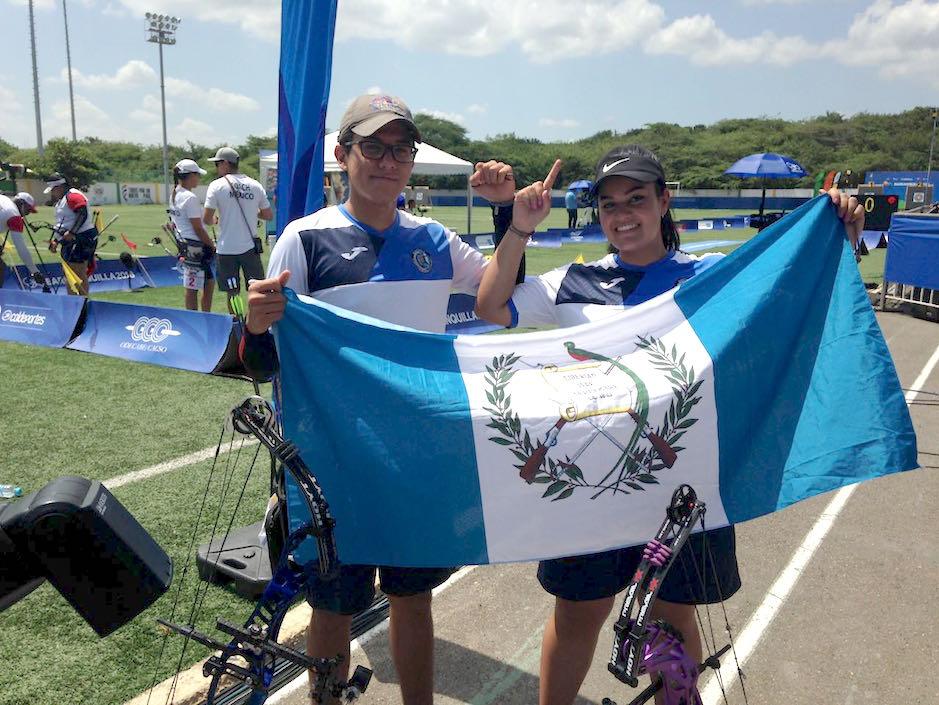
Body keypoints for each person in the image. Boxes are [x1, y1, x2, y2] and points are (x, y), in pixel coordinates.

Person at [474, 144, 864, 705]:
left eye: (637, 198)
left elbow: (795, 295)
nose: (623, 213)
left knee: (672, 613)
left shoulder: (711, 279)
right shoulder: (571, 282)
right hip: (587, 488)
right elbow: (491, 307)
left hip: (679, 485)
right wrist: (518, 227)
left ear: (664, 200)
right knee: (578, 612)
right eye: (609, 204)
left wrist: (838, 228)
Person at [242, 93, 515, 705]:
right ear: (343, 156)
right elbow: (263, 362)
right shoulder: (304, 239)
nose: (388, 161)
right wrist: (255, 323)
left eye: (401, 149)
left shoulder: (437, 239)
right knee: (332, 607)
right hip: (331, 463)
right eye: (373, 147)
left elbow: (502, 295)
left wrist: (509, 218)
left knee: (413, 601)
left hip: (415, 460)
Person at [203, 147, 273, 312]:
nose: (217, 168)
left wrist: (215, 220)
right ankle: (255, 325)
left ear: (226, 164)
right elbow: (268, 215)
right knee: (256, 290)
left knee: (232, 292)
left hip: (226, 248)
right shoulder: (255, 185)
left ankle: (236, 326)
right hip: (250, 248)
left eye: (218, 164)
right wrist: (252, 212)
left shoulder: (216, 186)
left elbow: (207, 219)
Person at [168, 159, 216, 311]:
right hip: (196, 245)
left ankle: (195, 317)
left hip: (185, 244)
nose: (199, 179)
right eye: (197, 175)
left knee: (193, 285)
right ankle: (204, 317)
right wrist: (211, 244)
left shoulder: (175, 194)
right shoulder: (190, 197)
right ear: (191, 176)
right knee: (205, 285)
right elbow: (198, 228)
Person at [44, 174, 98, 296]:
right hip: (72, 239)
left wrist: (72, 232)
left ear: (59, 187)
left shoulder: (73, 196)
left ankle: (80, 304)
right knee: (70, 272)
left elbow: (82, 213)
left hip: (81, 238)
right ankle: (74, 302)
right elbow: (63, 223)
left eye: (53, 190)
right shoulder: (62, 200)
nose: (52, 193)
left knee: (77, 272)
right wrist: (56, 241)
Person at [0, 191, 49, 291]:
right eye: (28, 210)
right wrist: (34, 271)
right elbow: (21, 248)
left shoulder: (4, 201)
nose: (27, 214)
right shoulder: (14, 215)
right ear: (21, 204)